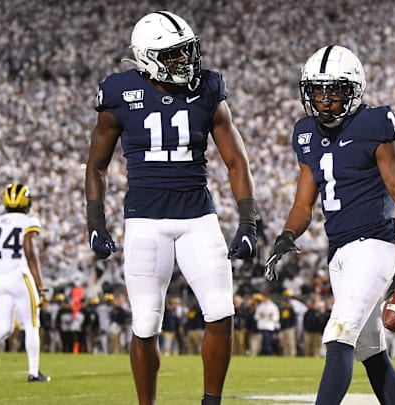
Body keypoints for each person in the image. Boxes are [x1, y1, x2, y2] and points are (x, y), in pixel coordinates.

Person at [84, 11, 257, 405]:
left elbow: (236, 161)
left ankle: (210, 401)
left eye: (187, 51)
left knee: (220, 311)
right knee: (145, 323)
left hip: (198, 217)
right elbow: (96, 164)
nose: (186, 61)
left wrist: (248, 220)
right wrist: (96, 221)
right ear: (147, 57)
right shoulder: (117, 93)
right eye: (174, 54)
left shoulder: (209, 88)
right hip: (145, 221)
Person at [264, 45, 395, 405]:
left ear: (353, 90)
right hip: (338, 251)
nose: (324, 101)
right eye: (317, 92)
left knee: (338, 336)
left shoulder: (374, 125)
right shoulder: (305, 133)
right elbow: (303, 204)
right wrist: (285, 236)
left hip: (374, 245)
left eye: (334, 91)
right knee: (371, 351)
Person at [0, 183, 50, 383]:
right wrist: (40, 285)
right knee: (31, 325)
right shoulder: (29, 221)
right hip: (19, 275)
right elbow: (30, 253)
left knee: (3, 327)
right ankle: (33, 372)